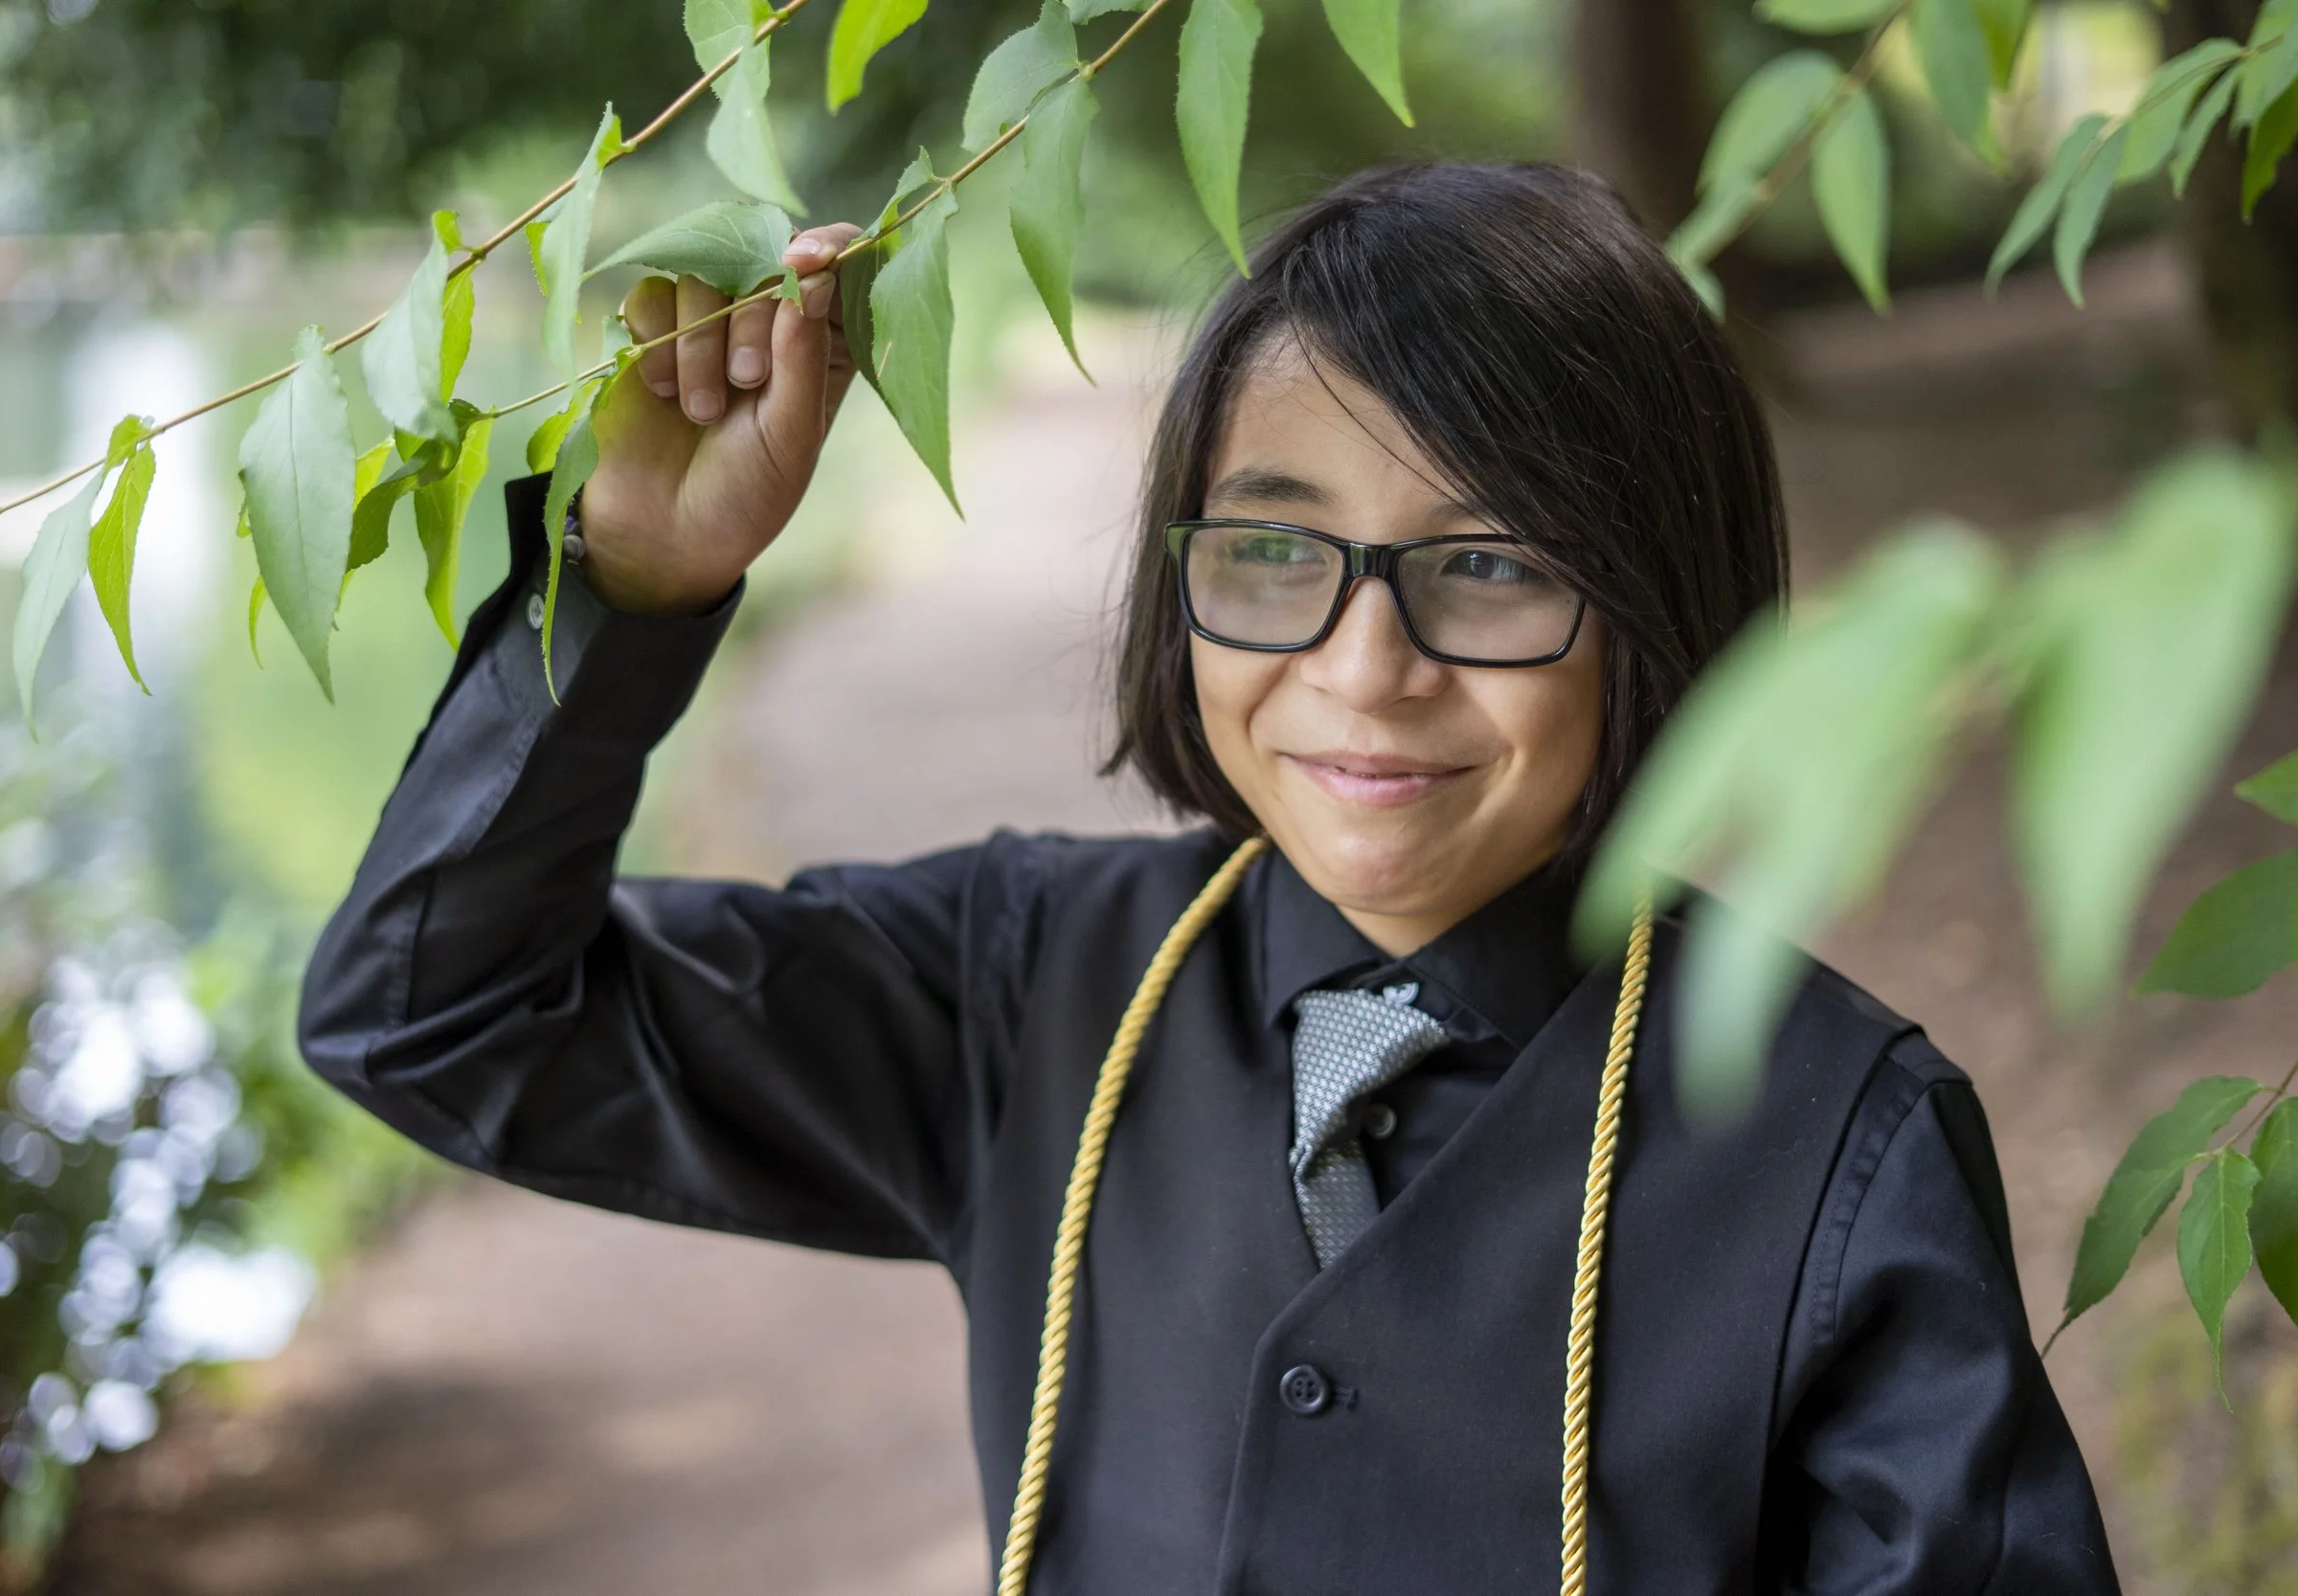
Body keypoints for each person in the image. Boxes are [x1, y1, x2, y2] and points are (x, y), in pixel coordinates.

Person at [298, 162, 2119, 1593]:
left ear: (1657, 603)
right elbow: (435, 1016)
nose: (1363, 669)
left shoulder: (1835, 1145)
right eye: (1274, 550)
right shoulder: (1026, 987)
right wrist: (632, 583)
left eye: (1491, 565)